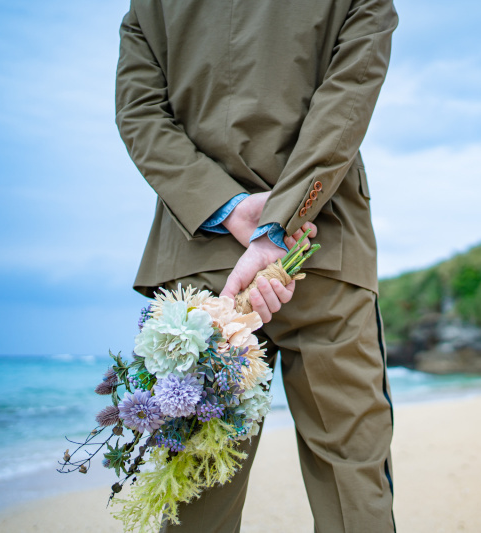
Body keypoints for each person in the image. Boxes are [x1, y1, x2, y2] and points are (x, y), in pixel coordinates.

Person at [115, 1, 399, 531]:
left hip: (199, 257)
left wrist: (227, 208)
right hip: (322, 241)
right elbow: (349, 94)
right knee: (351, 476)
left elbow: (139, 113)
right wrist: (280, 222)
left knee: (198, 485)